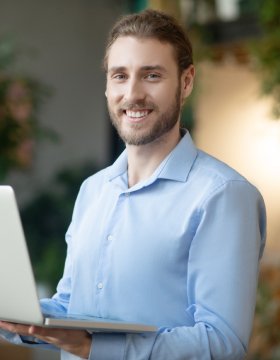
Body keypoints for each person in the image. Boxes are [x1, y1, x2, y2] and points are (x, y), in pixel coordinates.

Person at [0, 8, 266, 360]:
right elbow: (70, 304)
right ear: (108, 86)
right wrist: (17, 319)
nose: (133, 93)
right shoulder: (93, 191)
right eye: (120, 76)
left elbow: (222, 343)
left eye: (152, 75)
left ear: (186, 82)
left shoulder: (223, 195)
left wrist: (97, 347)